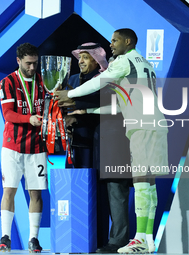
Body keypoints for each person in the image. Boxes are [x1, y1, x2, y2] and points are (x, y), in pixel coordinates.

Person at [54, 28, 169, 253]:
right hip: (156, 125)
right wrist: (86, 111)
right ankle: (146, 238)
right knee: (149, 184)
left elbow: (100, 82)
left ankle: (139, 240)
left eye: (115, 40)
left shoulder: (124, 61)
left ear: (128, 41)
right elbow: (121, 103)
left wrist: (71, 94)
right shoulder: (145, 63)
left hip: (141, 127)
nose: (111, 44)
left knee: (142, 183)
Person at [60, 42, 131, 253]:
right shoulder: (71, 80)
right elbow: (64, 107)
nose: (80, 61)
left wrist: (77, 108)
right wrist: (66, 118)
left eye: (85, 57)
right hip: (80, 149)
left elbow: (108, 102)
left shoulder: (108, 79)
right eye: (78, 57)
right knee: (84, 195)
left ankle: (115, 241)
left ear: (97, 60)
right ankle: (84, 238)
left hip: (107, 146)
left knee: (112, 195)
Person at [0, 43, 47, 253]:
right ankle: (5, 237)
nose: (32, 67)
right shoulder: (7, 82)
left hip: (37, 147)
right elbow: (7, 114)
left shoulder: (44, 81)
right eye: (28, 63)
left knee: (36, 194)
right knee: (9, 190)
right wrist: (30, 118)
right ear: (18, 61)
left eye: (35, 63)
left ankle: (33, 239)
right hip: (13, 147)